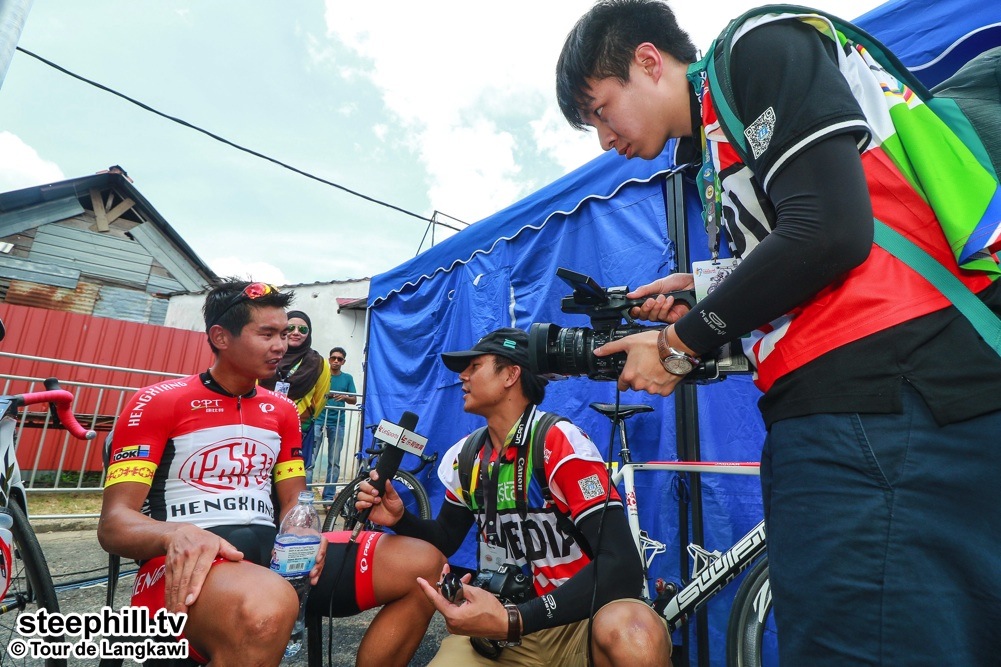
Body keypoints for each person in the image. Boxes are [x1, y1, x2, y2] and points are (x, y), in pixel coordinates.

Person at [555, 2, 1001, 665]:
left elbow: (828, 230)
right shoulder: (713, 143)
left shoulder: (755, 46)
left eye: (600, 111)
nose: (602, 139)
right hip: (882, 404)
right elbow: (813, 239)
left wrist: (677, 347)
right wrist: (705, 292)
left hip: (881, 399)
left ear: (647, 61)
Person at [99, 280, 445, 667]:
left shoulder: (282, 410)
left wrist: (305, 531)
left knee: (424, 563)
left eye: (283, 334)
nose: (281, 345)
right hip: (188, 562)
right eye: (267, 334)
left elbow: (294, 499)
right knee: (268, 604)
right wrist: (174, 534)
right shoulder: (158, 401)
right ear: (221, 337)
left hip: (275, 554)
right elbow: (114, 525)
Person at [356, 328, 672, 667]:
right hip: (504, 626)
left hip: (579, 619)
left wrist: (517, 620)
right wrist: (400, 518)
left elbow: (621, 564)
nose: (462, 376)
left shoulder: (559, 443)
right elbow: (445, 538)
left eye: (474, 366)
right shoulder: (465, 456)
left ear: (510, 375)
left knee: (635, 631)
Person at [260, 310, 330, 479]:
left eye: (303, 329)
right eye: (290, 328)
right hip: (262, 427)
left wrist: (299, 417)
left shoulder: (319, 364)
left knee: (289, 479)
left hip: (298, 431)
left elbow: (320, 400)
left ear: (309, 333)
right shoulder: (265, 355)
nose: (296, 333)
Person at [319, 346, 357, 500]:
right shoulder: (321, 374)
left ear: (343, 362)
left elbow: (354, 400)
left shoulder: (347, 378)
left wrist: (345, 397)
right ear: (329, 359)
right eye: (333, 358)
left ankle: (328, 498)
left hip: (338, 423)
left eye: (339, 359)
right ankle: (306, 497)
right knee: (310, 461)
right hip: (318, 420)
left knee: (334, 462)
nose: (336, 361)